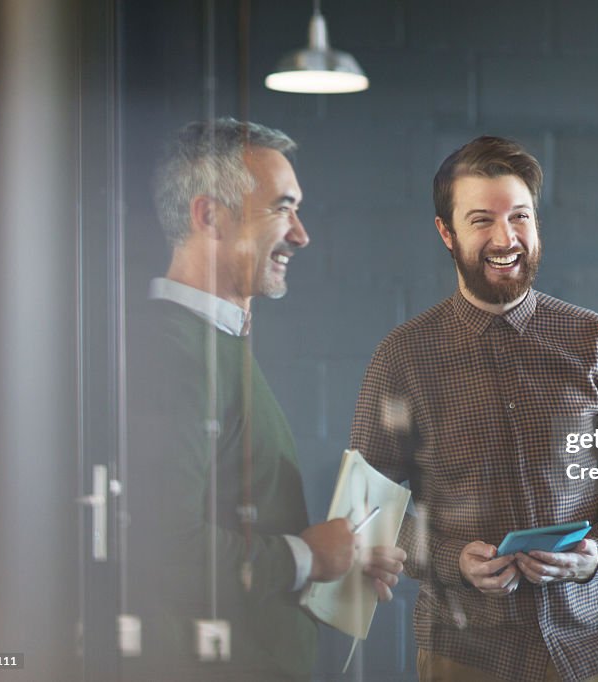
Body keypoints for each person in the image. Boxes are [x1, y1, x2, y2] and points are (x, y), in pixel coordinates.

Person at [350, 136, 598, 682]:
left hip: (592, 652)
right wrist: (450, 560)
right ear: (447, 233)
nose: (505, 238)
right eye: (481, 219)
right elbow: (367, 512)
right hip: (465, 658)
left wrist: (597, 556)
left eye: (520, 217)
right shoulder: (404, 357)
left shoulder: (595, 342)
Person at [126, 118, 405, 681]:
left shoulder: (215, 341)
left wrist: (336, 560)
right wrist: (306, 557)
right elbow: (163, 546)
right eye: (282, 208)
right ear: (209, 216)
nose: (301, 234)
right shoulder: (172, 351)